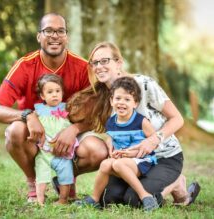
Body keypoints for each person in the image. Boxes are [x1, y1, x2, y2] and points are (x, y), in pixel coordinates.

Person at [0, 13, 107, 202]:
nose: (54, 36)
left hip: (70, 134)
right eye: (48, 31)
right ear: (39, 36)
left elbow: (97, 112)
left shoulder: (83, 67)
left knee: (98, 151)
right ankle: (34, 183)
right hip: (36, 134)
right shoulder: (25, 66)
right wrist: (28, 115)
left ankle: (63, 178)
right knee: (14, 131)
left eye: (60, 31)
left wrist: (74, 129)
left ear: (66, 36)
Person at [66, 41, 200, 208]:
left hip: (163, 157)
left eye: (105, 61)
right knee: (109, 198)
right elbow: (116, 128)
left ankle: (177, 183)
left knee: (134, 200)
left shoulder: (143, 84)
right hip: (131, 161)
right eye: (95, 63)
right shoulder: (107, 97)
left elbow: (177, 119)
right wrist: (110, 141)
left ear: (119, 63)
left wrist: (153, 140)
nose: (99, 66)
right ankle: (146, 185)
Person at [76, 76, 160, 211]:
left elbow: (153, 142)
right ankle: (94, 199)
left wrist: (131, 153)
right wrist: (110, 143)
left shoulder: (142, 122)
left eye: (127, 99)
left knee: (117, 163)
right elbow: (111, 136)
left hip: (142, 161)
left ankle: (145, 196)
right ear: (111, 101)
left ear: (135, 103)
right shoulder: (111, 122)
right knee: (105, 164)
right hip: (122, 160)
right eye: (118, 98)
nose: (122, 103)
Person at [34, 74, 78, 205]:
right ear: (42, 96)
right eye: (50, 92)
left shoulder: (66, 107)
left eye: (58, 91)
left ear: (62, 93)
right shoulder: (39, 110)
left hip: (62, 151)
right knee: (41, 174)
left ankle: (63, 199)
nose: (54, 95)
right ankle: (40, 200)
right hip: (44, 152)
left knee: (66, 173)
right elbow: (32, 121)